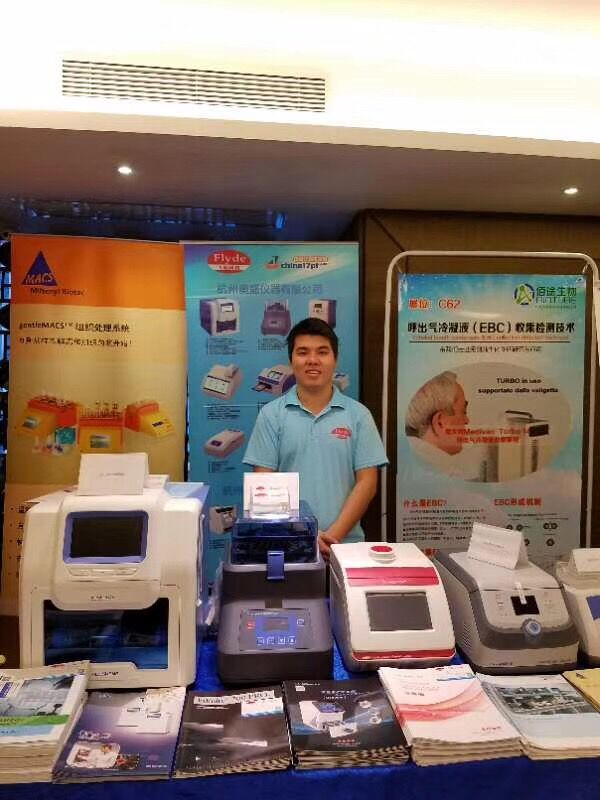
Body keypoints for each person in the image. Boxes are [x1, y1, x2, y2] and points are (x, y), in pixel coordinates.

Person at [243, 317, 388, 557]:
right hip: (288, 546)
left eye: (322, 352)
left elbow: (367, 483)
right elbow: (263, 485)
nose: (312, 360)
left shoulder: (358, 415)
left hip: (345, 548)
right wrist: (305, 535)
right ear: (291, 360)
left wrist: (331, 538)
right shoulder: (271, 415)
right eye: (303, 352)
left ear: (335, 359)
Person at [405, 370, 481, 480]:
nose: (467, 421)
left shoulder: (407, 464)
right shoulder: (445, 479)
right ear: (440, 423)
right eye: (463, 412)